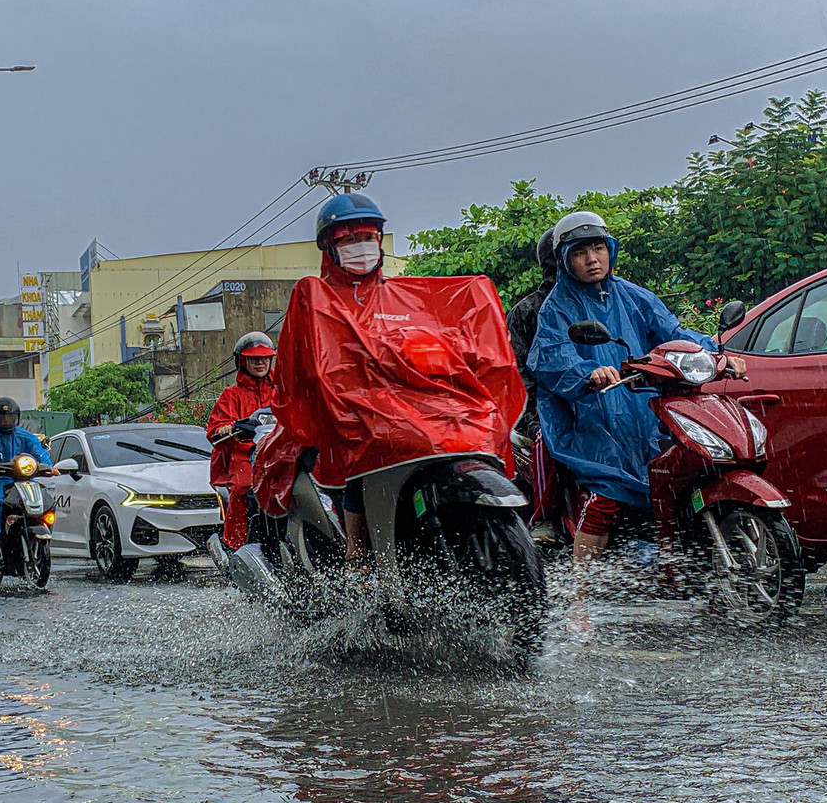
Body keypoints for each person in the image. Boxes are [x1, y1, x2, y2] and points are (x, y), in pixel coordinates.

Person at [262, 193, 523, 565]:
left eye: (367, 238)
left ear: (380, 241)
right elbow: (298, 369)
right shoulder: (316, 297)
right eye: (349, 241)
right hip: (361, 410)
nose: (360, 248)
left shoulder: (411, 299)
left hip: (424, 409)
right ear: (329, 248)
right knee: (359, 443)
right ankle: (359, 550)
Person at [528, 211, 747, 562]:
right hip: (590, 415)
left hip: (644, 407)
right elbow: (552, 357)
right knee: (609, 491)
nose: (592, 259)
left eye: (598, 249)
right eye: (580, 253)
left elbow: (673, 333)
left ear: (610, 251)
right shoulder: (556, 307)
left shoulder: (632, 295)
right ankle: (580, 586)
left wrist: (718, 354)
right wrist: (589, 373)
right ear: (565, 260)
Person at [207, 331, 277, 549]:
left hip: (280, 452)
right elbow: (215, 429)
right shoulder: (231, 394)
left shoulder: (282, 390)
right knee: (242, 488)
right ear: (242, 361)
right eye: (254, 358)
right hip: (246, 456)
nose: (260, 362)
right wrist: (225, 428)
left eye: (264, 358)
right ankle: (236, 546)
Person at [0, 397, 58, 557]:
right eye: (2, 417)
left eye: (10, 417)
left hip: (21, 481)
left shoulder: (26, 436)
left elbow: (39, 451)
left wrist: (48, 466)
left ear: (17, 417)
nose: (6, 420)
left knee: (45, 501)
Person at [505, 227, 557, 435]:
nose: (591, 259)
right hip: (549, 422)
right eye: (579, 253)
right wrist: (534, 420)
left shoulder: (616, 301)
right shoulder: (527, 311)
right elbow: (516, 373)